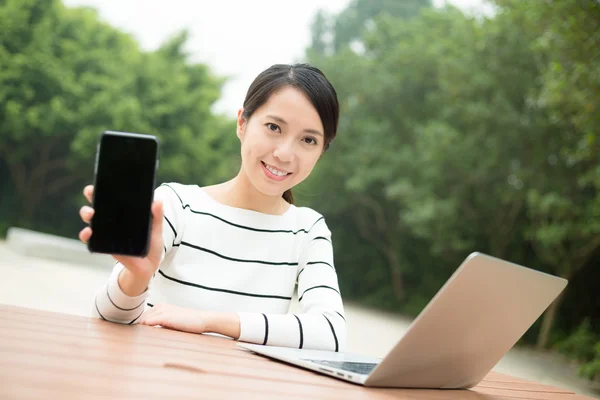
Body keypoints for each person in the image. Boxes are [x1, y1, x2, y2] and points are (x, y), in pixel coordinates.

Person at [78, 64, 346, 352]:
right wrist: (138, 276)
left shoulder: (308, 230)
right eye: (273, 127)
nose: (284, 153)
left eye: (308, 140)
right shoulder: (176, 205)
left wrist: (209, 321)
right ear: (242, 122)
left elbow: (330, 334)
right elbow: (107, 318)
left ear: (321, 150)